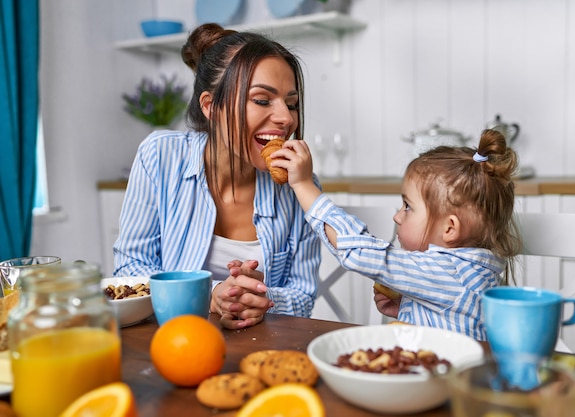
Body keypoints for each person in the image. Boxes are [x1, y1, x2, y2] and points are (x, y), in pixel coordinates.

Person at [113, 23, 321, 329]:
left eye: (292, 104)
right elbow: (129, 272)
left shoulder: (300, 186)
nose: (286, 118)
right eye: (263, 100)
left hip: (263, 349)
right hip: (175, 343)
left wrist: (259, 297)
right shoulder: (160, 156)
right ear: (211, 107)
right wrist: (209, 296)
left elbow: (303, 297)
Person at [273, 129, 521, 340]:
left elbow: (358, 251)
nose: (397, 216)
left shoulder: (449, 271)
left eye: (408, 207)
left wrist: (304, 186)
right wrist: (408, 308)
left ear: (449, 229)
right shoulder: (470, 271)